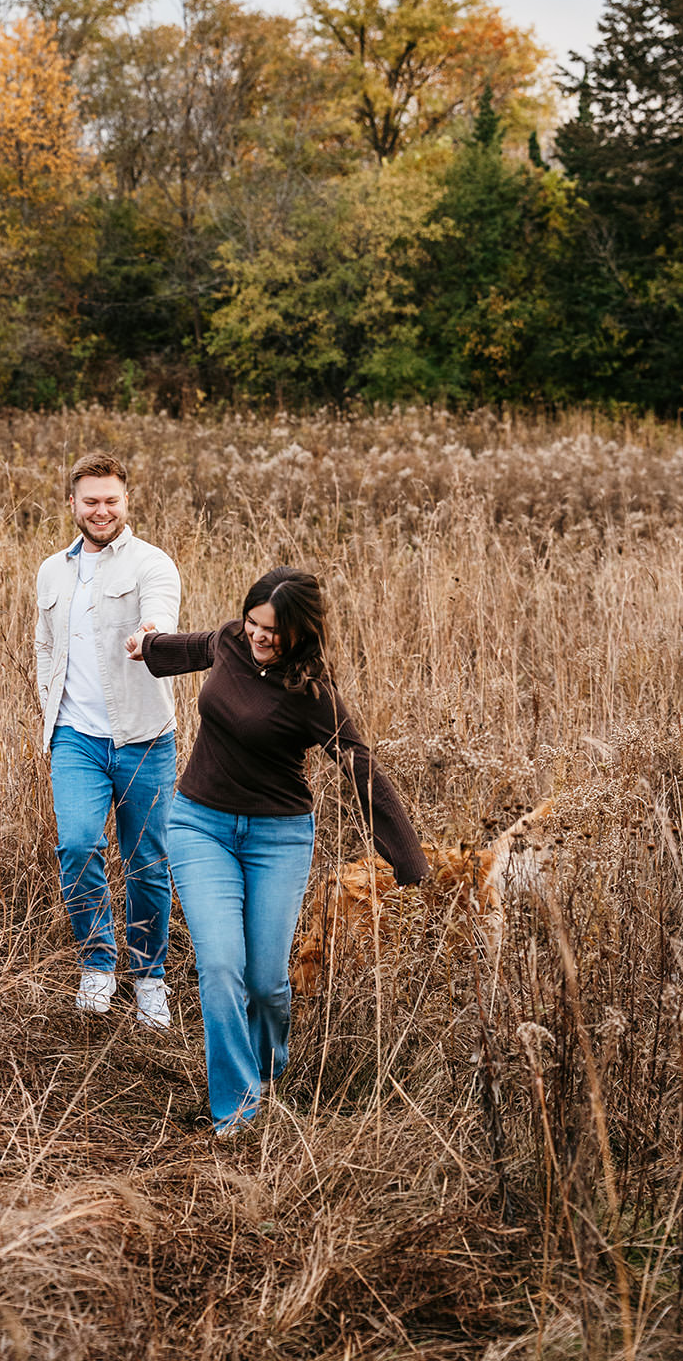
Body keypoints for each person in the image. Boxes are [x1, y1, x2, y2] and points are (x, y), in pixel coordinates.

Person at [126, 566, 428, 1134]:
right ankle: (236, 1112)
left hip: (277, 838)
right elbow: (188, 647)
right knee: (219, 967)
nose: (260, 637)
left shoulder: (314, 695)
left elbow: (363, 772)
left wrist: (410, 865)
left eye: (274, 631)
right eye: (254, 623)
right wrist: (146, 644)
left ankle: (266, 1072)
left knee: (265, 983)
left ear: (300, 635)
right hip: (199, 825)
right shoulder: (231, 642)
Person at [36, 452, 181, 1028]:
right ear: (72, 504)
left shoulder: (152, 564)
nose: (101, 510)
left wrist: (151, 636)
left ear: (127, 502)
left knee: (147, 862)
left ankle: (150, 978)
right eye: (90, 501)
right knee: (76, 846)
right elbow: (46, 644)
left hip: (144, 737)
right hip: (75, 738)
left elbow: (160, 615)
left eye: (111, 501)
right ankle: (97, 965)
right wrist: (51, 709)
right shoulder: (51, 570)